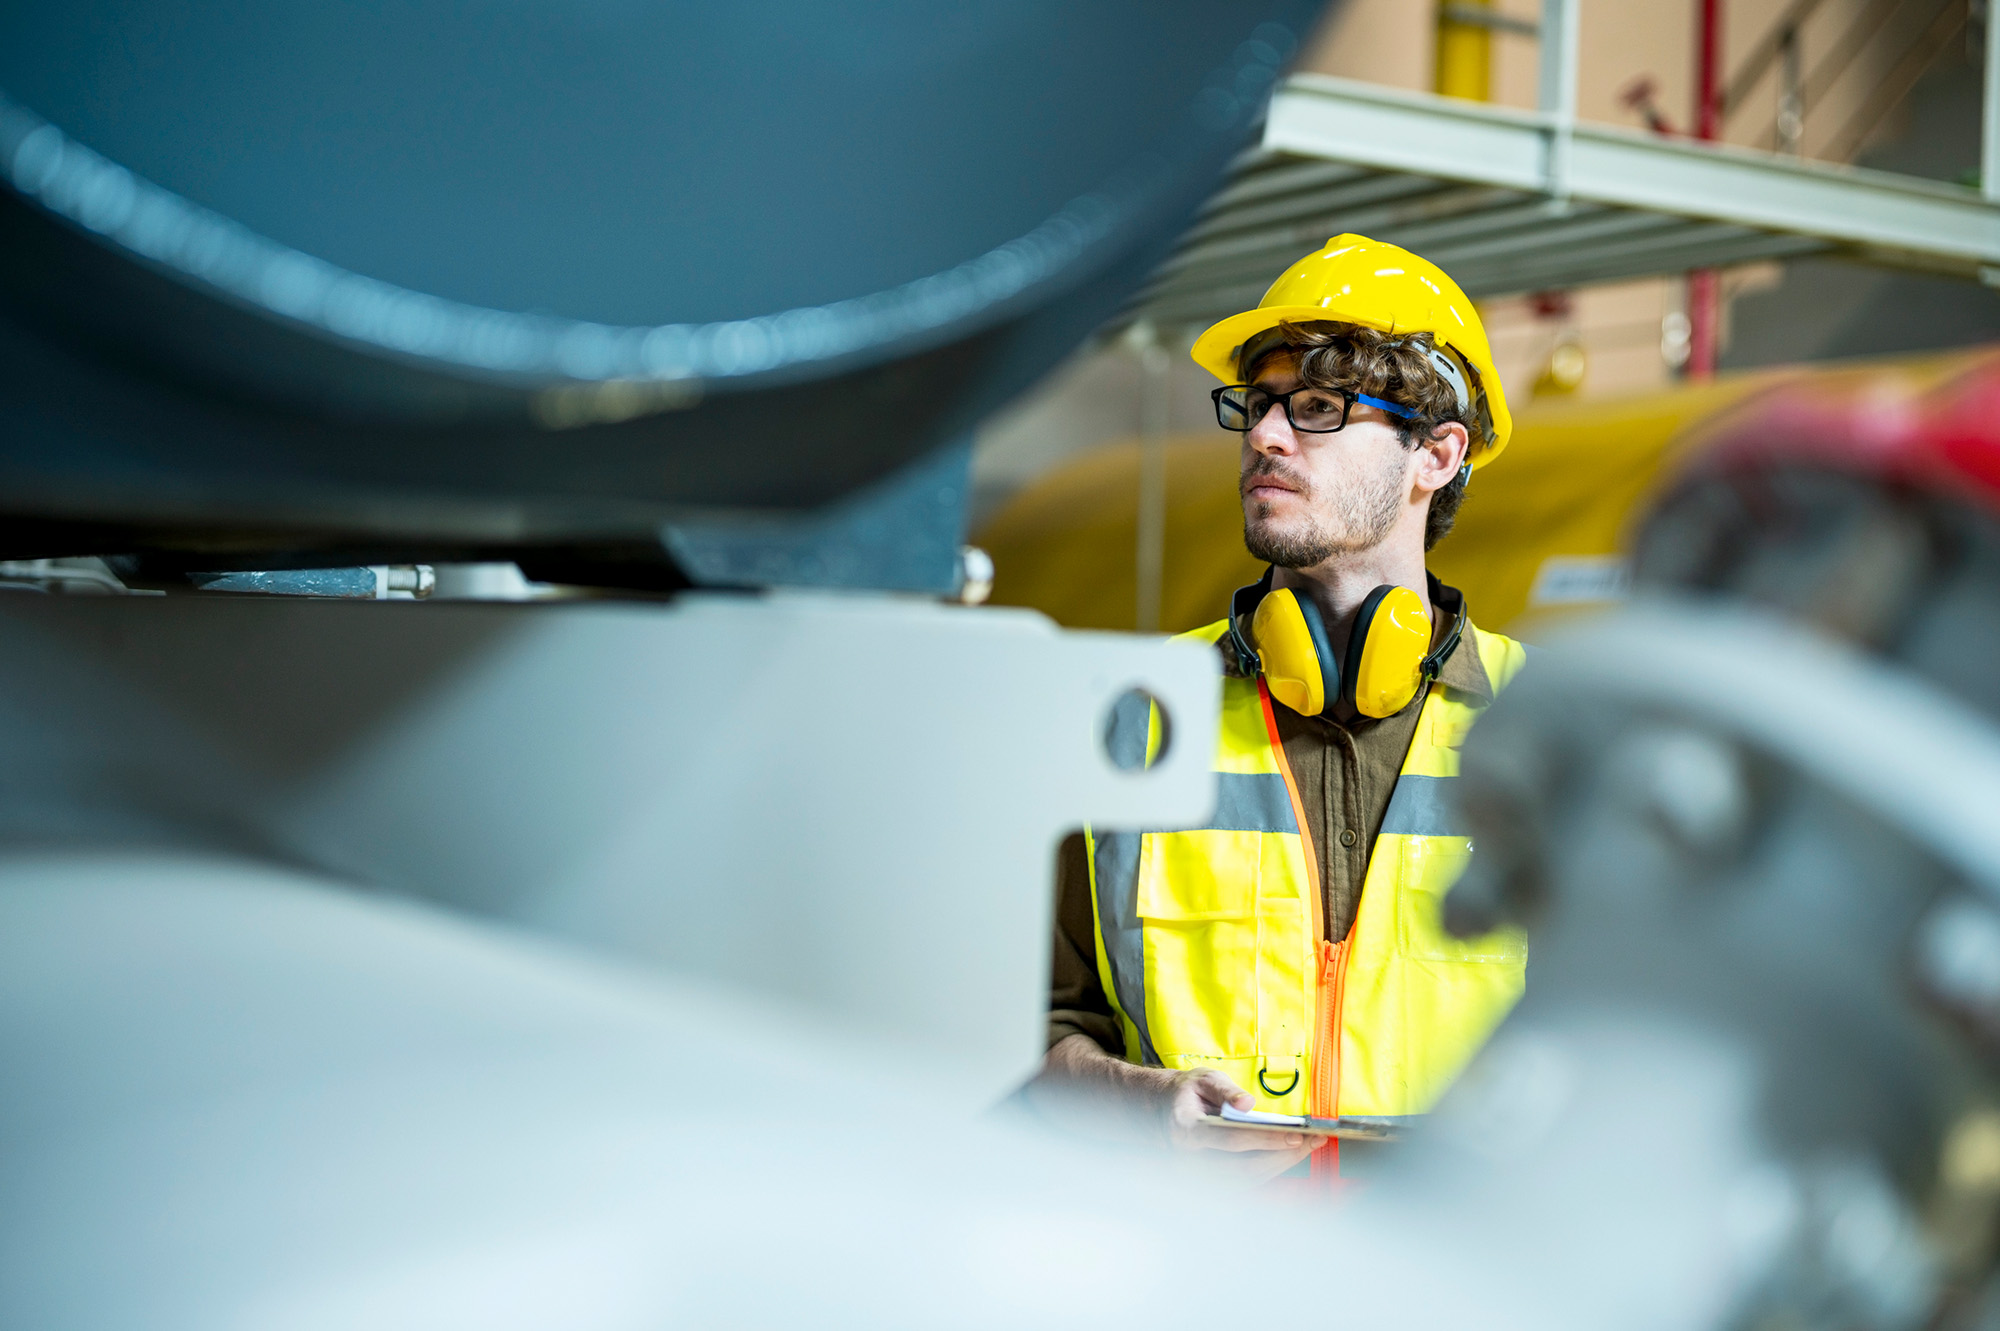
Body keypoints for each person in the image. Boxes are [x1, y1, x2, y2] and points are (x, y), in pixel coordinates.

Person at [1035, 234, 1529, 1184]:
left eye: (1316, 408)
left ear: (1436, 453)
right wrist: (1147, 1107)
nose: (1265, 435)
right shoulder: (1131, 718)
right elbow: (1028, 1031)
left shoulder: (1545, 732)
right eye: (1258, 405)